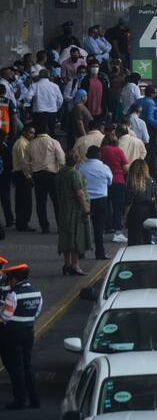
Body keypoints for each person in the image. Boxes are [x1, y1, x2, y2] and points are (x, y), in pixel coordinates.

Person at [0, 264, 42, 410]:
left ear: (15, 279)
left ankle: (19, 400)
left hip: (11, 334)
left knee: (15, 368)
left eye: (10, 279)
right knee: (27, 365)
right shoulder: (36, 292)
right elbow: (37, 312)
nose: (9, 283)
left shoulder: (13, 295)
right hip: (28, 332)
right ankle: (35, 399)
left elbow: (6, 316)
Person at [25, 122, 65, 234]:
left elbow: (25, 163)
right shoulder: (54, 142)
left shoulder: (30, 144)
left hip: (38, 175)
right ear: (48, 131)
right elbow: (62, 159)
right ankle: (60, 226)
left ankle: (44, 226)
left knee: (41, 202)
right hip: (52, 175)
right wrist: (61, 172)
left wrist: (30, 173)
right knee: (57, 202)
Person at [56, 150, 91, 276]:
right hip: (75, 209)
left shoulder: (60, 172)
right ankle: (75, 265)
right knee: (76, 236)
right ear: (77, 160)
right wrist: (86, 209)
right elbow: (79, 193)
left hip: (63, 208)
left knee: (66, 235)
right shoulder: (75, 174)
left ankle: (67, 264)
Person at [78, 145, 112, 259]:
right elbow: (110, 181)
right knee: (99, 227)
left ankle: (81, 251)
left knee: (83, 226)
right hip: (101, 199)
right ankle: (100, 252)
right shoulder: (105, 168)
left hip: (86, 200)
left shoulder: (81, 167)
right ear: (99, 155)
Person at [124, 159, 157, 246]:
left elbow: (128, 202)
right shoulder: (151, 181)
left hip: (135, 213)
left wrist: (125, 217)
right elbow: (156, 198)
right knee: (147, 238)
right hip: (149, 212)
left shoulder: (132, 183)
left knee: (135, 240)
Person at [100, 133, 129, 243]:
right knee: (118, 208)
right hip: (118, 180)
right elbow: (125, 168)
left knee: (105, 206)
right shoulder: (118, 151)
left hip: (103, 182)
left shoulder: (101, 150)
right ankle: (117, 232)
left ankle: (105, 228)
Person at [24, 69, 62, 134]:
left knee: (39, 132)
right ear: (49, 76)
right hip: (52, 113)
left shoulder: (34, 85)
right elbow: (60, 100)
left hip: (39, 113)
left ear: (39, 76)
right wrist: (56, 108)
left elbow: (27, 98)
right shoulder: (55, 86)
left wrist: (30, 103)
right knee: (51, 132)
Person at [12, 125, 34, 232]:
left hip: (21, 174)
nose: (32, 135)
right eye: (30, 132)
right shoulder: (22, 144)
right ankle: (22, 223)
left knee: (23, 200)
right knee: (24, 200)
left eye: (33, 133)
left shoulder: (24, 143)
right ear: (24, 132)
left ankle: (22, 222)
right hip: (22, 175)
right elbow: (23, 163)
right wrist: (29, 176)